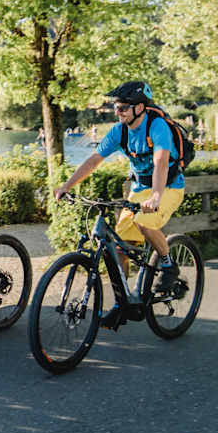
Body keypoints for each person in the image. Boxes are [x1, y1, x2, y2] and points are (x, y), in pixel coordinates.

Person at [52, 80, 186, 328]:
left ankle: (167, 263)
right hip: (139, 189)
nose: (118, 111)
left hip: (167, 187)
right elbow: (94, 160)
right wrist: (66, 186)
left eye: (123, 107)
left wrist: (156, 195)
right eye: (116, 107)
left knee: (145, 223)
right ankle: (122, 302)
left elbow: (160, 162)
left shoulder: (157, 127)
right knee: (120, 247)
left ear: (140, 107)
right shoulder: (119, 131)